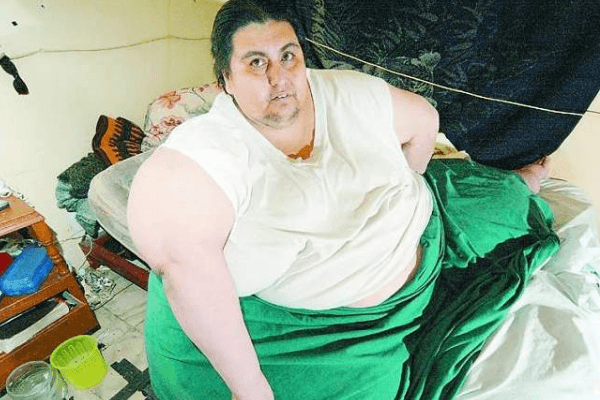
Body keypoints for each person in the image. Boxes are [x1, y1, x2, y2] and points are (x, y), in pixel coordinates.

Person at [127, 1, 558, 399]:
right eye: (256, 63)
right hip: (341, 332)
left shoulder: (347, 91)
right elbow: (182, 258)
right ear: (225, 80)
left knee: (507, 201)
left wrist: (405, 184)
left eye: (288, 56)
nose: (279, 77)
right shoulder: (211, 149)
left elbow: (425, 121)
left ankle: (520, 183)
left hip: (426, 238)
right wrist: (251, 390)